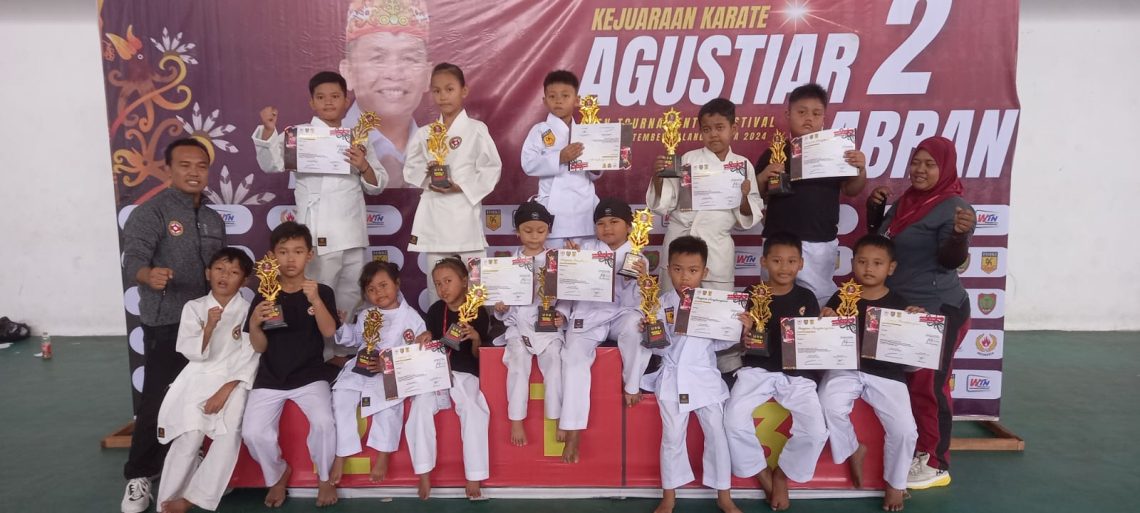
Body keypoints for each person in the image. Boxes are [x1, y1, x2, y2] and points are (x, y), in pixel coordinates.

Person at [120, 138, 226, 513]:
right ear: (168, 170)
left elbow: (222, 269)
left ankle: (189, 464)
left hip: (210, 325)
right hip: (167, 323)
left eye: (200, 166)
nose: (194, 172)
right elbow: (132, 258)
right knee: (158, 402)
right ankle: (139, 475)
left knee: (201, 398)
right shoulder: (151, 213)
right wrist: (148, 275)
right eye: (185, 165)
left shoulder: (213, 217)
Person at [252, 71, 388, 359]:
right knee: (317, 295)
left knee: (351, 296)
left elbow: (378, 185)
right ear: (311, 103)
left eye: (335, 96)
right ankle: (316, 354)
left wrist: (363, 165)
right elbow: (271, 163)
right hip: (318, 234)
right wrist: (267, 131)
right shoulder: (300, 135)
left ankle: (340, 354)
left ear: (346, 100)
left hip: (352, 231)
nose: (328, 103)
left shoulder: (358, 137)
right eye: (321, 97)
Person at [866, 136, 976, 490]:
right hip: (904, 308)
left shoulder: (954, 207)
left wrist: (960, 236)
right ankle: (918, 449)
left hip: (938, 308)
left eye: (930, 164)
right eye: (916, 162)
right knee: (910, 383)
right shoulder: (907, 202)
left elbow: (949, 260)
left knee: (929, 385)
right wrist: (875, 214)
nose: (920, 170)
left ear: (945, 169)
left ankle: (936, 461)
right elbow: (884, 248)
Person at [723, 233, 828, 511]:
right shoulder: (750, 295)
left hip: (797, 375)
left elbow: (811, 341)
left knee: (817, 431)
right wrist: (742, 333)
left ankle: (783, 474)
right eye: (777, 260)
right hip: (757, 370)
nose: (784, 267)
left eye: (791, 261)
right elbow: (735, 340)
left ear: (802, 264)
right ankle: (761, 471)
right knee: (733, 418)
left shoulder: (806, 297)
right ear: (764, 262)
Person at [640, 236, 743, 513]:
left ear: (704, 272)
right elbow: (658, 348)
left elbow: (720, 344)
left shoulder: (714, 304)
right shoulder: (660, 304)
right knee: (672, 437)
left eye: (693, 270)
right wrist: (649, 332)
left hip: (706, 378)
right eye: (677, 269)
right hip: (672, 379)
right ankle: (669, 495)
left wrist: (740, 330)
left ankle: (724, 494)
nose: (684, 276)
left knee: (717, 435)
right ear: (667, 268)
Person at [241, 222, 340, 508]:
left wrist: (315, 300)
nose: (290, 259)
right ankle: (277, 474)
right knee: (252, 433)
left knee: (323, 422)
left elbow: (329, 332)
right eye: (283, 252)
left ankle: (323, 478)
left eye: (298, 251)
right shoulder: (264, 295)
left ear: (310, 255)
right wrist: (254, 323)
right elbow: (258, 346)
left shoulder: (322, 291)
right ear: (272, 257)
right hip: (271, 376)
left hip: (311, 375)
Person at [818, 235, 919, 511]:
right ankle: (852, 448)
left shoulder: (900, 303)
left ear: (891, 268)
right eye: (862, 261)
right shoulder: (842, 296)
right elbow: (824, 341)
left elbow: (912, 351)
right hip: (846, 368)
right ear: (852, 263)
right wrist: (825, 319)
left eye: (877, 263)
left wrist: (914, 323)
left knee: (905, 429)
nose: (868, 268)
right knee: (827, 401)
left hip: (886, 375)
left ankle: (895, 484)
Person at [154, 248, 258, 513]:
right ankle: (167, 500)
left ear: (244, 281)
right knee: (190, 436)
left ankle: (196, 497)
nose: (225, 276)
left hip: (234, 380)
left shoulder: (249, 310)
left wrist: (225, 390)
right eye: (220, 269)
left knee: (229, 432)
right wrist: (209, 327)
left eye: (234, 272)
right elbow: (190, 352)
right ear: (208, 272)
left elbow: (251, 353)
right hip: (198, 375)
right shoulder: (195, 307)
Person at [754, 83, 868, 306]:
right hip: (779, 241)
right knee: (773, 301)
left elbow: (852, 189)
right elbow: (757, 196)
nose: (809, 118)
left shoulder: (837, 152)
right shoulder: (774, 153)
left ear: (824, 117)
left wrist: (860, 168)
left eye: (816, 113)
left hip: (820, 242)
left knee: (817, 303)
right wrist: (764, 176)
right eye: (801, 112)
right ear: (788, 114)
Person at [559, 198, 654, 463]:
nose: (607, 228)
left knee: (636, 328)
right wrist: (563, 309)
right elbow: (569, 289)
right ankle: (574, 429)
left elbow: (640, 301)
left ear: (629, 226)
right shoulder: (585, 249)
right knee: (574, 357)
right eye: (601, 223)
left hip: (621, 313)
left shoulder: (638, 254)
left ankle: (632, 384)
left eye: (614, 222)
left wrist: (644, 280)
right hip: (588, 315)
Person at [404, 63, 502, 303]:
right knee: (438, 287)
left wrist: (462, 186)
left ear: (463, 91)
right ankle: (439, 336)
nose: (443, 96)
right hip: (435, 217)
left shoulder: (476, 130)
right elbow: (410, 169)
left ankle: (478, 335)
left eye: (449, 89)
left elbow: (492, 168)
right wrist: (428, 177)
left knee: (477, 289)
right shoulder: (425, 133)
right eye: (437, 91)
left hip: (464, 216)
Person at [647, 97, 763, 291]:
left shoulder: (742, 165)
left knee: (714, 311)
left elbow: (749, 214)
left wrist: (743, 197)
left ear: (733, 129)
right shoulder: (688, 159)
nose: (714, 135)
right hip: (680, 243)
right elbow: (664, 204)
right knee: (673, 308)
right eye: (707, 129)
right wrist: (658, 178)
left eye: (720, 127)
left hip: (715, 247)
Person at [329, 261, 428, 484]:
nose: (378, 293)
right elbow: (355, 339)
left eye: (383, 285)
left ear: (397, 284)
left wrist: (389, 363)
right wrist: (341, 324)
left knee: (391, 402)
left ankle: (383, 455)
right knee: (341, 397)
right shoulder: (366, 315)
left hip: (392, 371)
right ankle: (341, 452)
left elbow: (416, 353)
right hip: (361, 368)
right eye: (371, 289)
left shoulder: (412, 318)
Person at [407, 257, 492, 499]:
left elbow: (480, 356)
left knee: (473, 409)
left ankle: (474, 476)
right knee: (420, 406)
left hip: (465, 371)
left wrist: (475, 337)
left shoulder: (478, 310)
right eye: (438, 283)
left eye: (448, 281)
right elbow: (432, 341)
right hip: (436, 370)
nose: (443, 288)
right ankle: (423, 473)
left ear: (464, 281)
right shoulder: (435, 310)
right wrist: (424, 336)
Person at [491, 201, 565, 446]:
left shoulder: (557, 260)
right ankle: (516, 420)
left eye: (540, 230)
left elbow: (568, 295)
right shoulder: (509, 263)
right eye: (528, 230)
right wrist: (501, 308)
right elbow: (502, 301)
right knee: (517, 362)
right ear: (517, 232)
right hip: (519, 325)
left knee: (554, 361)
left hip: (548, 325)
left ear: (549, 231)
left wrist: (561, 315)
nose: (534, 236)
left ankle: (556, 418)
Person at [341, 0, 433, 188]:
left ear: (427, 75)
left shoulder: (438, 147)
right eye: (378, 58)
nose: (394, 73)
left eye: (409, 58)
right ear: (348, 72)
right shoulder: (325, 142)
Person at [520, 69, 600, 247]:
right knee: (553, 268)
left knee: (583, 268)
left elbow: (594, 172)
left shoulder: (587, 131)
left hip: (584, 207)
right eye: (552, 96)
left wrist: (596, 165)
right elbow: (528, 164)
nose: (559, 101)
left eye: (565, 95)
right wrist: (560, 157)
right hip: (553, 209)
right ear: (544, 100)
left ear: (576, 100)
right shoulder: (540, 130)